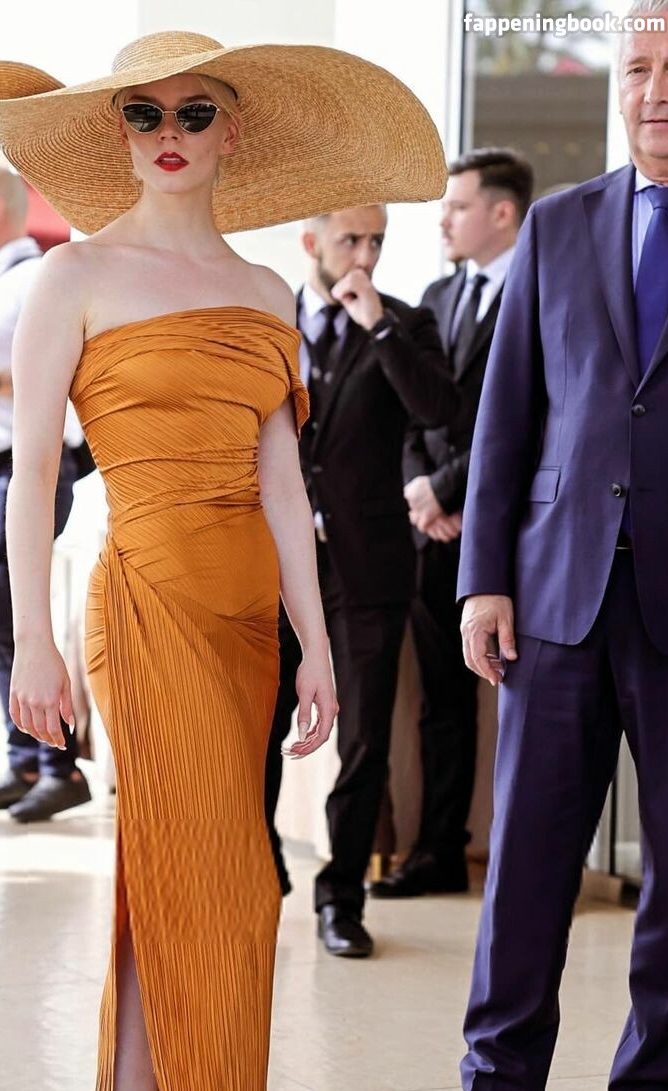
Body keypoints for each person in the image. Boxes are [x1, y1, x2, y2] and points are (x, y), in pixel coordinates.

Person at [0, 30, 443, 1091]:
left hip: (247, 627)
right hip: (145, 605)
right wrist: (29, 641)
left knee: (169, 883)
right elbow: (30, 474)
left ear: (235, 132)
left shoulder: (265, 290)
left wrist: (316, 642)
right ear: (118, 133)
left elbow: (284, 482)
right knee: (233, 889)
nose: (168, 133)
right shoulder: (72, 277)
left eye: (194, 112)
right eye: (144, 113)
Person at [378, 3, 668, 1091]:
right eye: (639, 66)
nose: (657, 89)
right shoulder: (560, 223)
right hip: (554, 590)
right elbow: (507, 414)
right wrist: (482, 577)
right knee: (526, 864)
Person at [264, 209, 456, 959]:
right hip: (273, 563)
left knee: (366, 735)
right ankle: (260, 869)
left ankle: (341, 897)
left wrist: (379, 328)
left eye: (377, 241)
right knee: (260, 725)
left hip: (369, 564)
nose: (365, 255)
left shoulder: (405, 323)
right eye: (351, 240)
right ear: (312, 242)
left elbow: (440, 409)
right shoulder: (266, 319)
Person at [373, 148, 533, 900]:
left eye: (458, 206)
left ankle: (525, 860)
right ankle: (439, 851)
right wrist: (421, 490)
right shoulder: (439, 294)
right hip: (433, 527)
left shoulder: (540, 288)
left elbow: (525, 417)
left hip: (506, 527)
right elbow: (415, 403)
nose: (443, 221)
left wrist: (446, 490)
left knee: (523, 702)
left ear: (502, 212)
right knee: (441, 696)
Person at [0, 167, 92, 825]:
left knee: (27, 623)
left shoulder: (36, 278)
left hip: (21, 472)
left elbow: (65, 368)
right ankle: (25, 759)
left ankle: (60, 768)